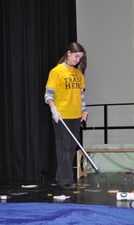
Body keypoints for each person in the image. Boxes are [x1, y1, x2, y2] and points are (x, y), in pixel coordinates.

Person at [44, 42, 88, 190]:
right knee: (63, 147)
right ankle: (66, 180)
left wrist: (84, 111)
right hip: (61, 115)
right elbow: (48, 94)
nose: (77, 60)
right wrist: (53, 109)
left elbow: (81, 95)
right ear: (68, 53)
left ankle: (59, 176)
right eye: (76, 56)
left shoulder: (78, 74)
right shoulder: (56, 72)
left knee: (71, 147)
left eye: (80, 58)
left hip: (76, 116)